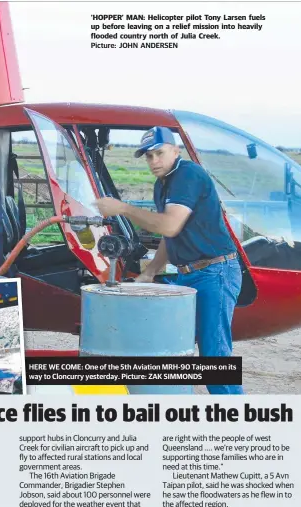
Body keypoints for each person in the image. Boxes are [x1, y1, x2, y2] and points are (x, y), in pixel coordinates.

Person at [94, 126, 243, 395]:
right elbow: (170, 235)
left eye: (159, 153)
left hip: (215, 271)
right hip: (190, 272)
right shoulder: (163, 184)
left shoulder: (187, 174)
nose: (154, 161)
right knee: (178, 345)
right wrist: (151, 271)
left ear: (176, 151)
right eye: (149, 156)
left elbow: (170, 226)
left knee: (215, 357)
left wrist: (123, 208)